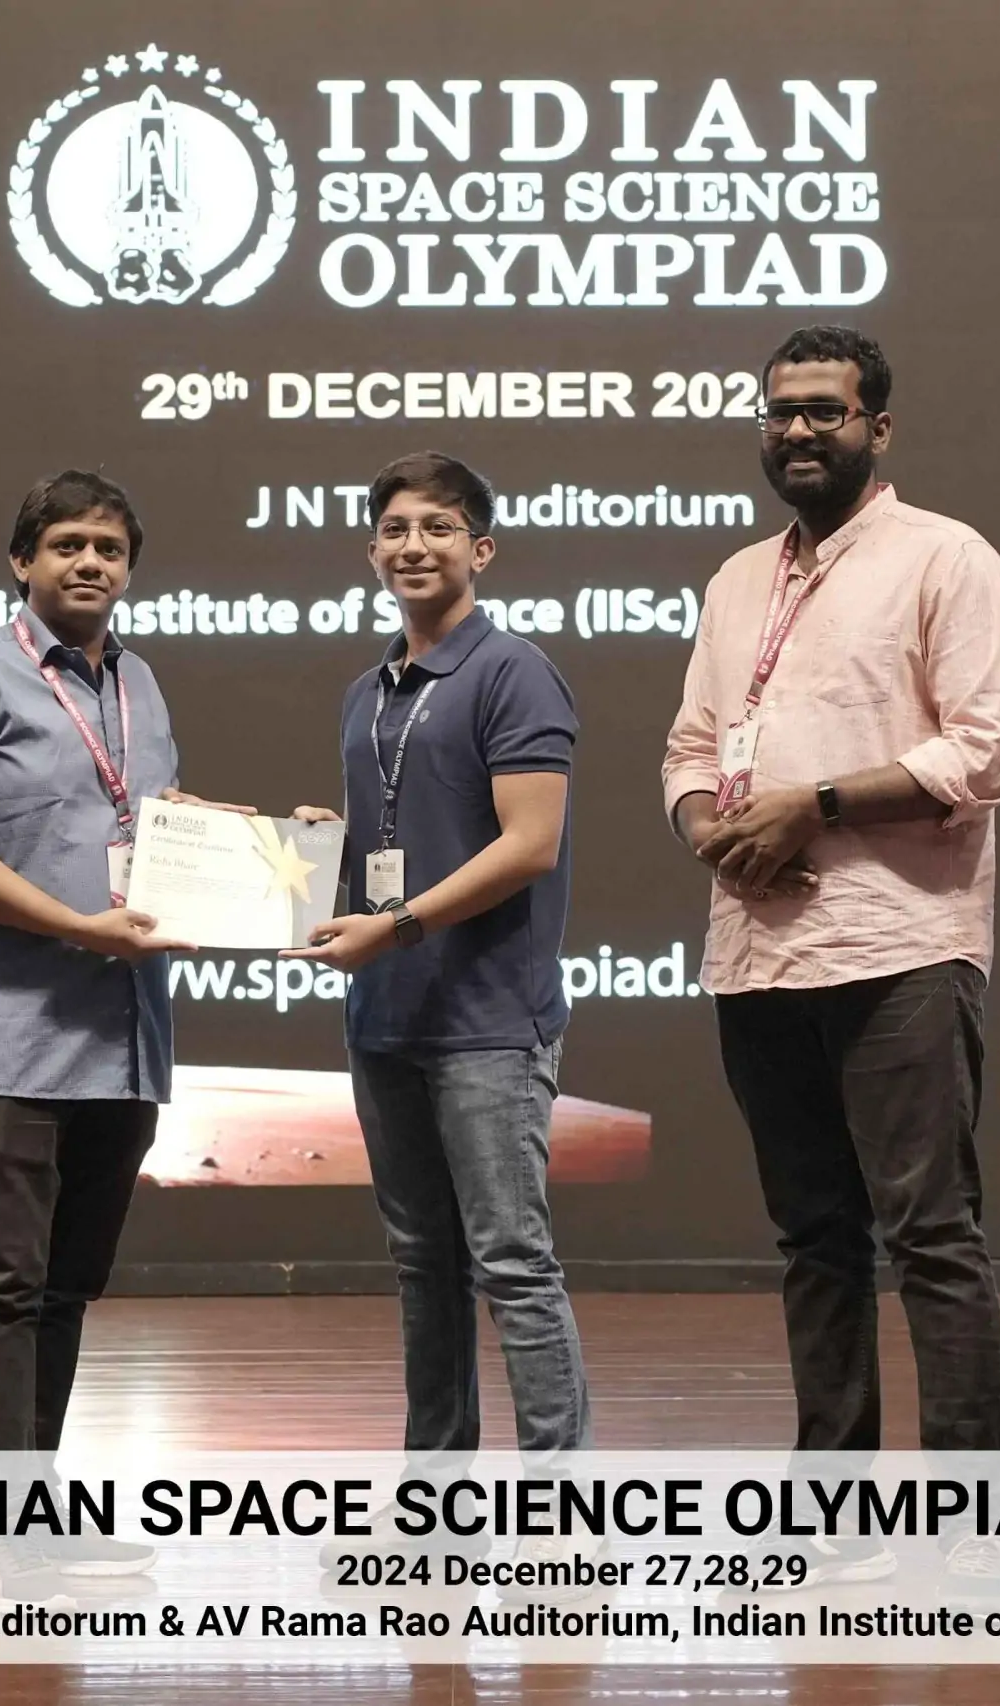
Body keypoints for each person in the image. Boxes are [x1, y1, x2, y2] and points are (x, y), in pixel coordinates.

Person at [660, 326, 1000, 1589]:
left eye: (824, 411)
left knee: (928, 1233)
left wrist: (810, 806)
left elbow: (985, 751)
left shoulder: (946, 557)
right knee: (813, 1239)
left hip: (899, 945)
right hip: (759, 952)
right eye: (780, 412)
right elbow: (689, 750)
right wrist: (712, 829)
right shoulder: (734, 581)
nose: (798, 431)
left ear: (878, 427)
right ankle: (836, 1509)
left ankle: (981, 1518)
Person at [284, 453, 591, 1588]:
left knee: (512, 1261)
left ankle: (562, 1516)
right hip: (387, 1015)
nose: (415, 545)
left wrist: (399, 922)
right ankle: (435, 1509)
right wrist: (307, 851)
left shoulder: (515, 671)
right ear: (371, 549)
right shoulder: (367, 693)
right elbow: (388, 854)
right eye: (396, 529)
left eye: (440, 527)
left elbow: (530, 844)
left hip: (489, 1019)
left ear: (481, 549)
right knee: (424, 1266)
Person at [0, 470, 198, 1610]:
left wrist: (276, 850)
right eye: (68, 543)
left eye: (110, 549)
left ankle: (35, 1516)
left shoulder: (141, 683)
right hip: (12, 1040)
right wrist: (79, 928)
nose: (90, 563)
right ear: (21, 560)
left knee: (67, 1288)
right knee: (4, 1284)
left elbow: (155, 829)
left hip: (124, 1040)